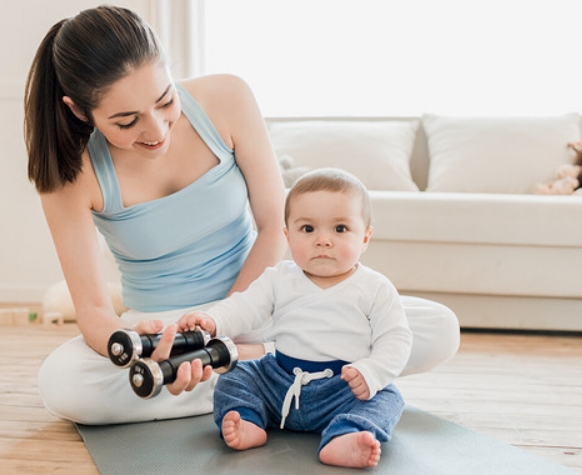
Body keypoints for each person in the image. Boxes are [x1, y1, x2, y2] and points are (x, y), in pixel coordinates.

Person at [24, 5, 460, 426]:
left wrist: (228, 330)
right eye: (126, 121)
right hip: (168, 329)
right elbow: (96, 312)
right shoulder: (68, 173)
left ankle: (237, 376)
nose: (157, 130)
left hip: (264, 301)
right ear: (80, 111)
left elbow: (275, 226)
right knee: (63, 384)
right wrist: (146, 349)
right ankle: (283, 377)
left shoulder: (227, 98)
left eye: (165, 100)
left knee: (437, 327)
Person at [177, 168, 412, 468]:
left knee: (389, 397)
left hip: (343, 388)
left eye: (340, 229)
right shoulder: (280, 278)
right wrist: (212, 321)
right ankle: (248, 419)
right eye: (308, 229)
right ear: (287, 236)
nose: (323, 240)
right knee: (235, 375)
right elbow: (244, 306)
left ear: (365, 237)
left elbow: (396, 338)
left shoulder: (375, 288)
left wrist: (373, 372)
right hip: (279, 381)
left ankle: (347, 433)